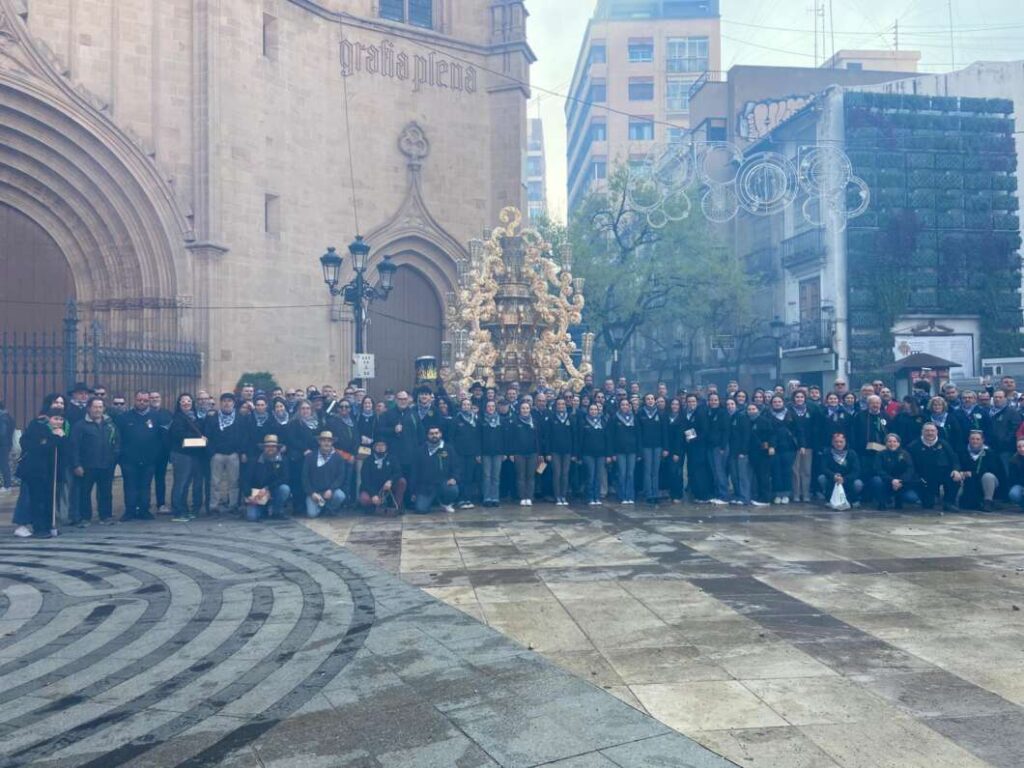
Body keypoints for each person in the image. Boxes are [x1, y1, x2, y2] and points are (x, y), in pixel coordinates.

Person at [69, 396, 120, 527]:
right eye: (95, 407)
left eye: (100, 407)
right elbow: (74, 447)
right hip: (87, 465)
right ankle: (85, 518)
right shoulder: (79, 426)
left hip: (106, 465)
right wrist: (76, 464)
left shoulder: (110, 424)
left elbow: (116, 442)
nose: (98, 410)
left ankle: (105, 516)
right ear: (89, 408)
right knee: (84, 493)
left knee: (106, 492)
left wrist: (114, 458)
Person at [18, 408, 69, 538]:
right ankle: (39, 528)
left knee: (49, 499)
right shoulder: (38, 428)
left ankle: (48, 525)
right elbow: (40, 447)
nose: (58, 422)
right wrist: (55, 438)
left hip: (52, 471)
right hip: (36, 471)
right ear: (49, 418)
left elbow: (64, 451)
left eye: (61, 419)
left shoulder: (62, 432)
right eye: (55, 419)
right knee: (38, 500)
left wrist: (62, 439)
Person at [116, 391, 161, 521]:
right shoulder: (124, 417)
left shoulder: (155, 417)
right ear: (134, 400)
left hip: (149, 459)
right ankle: (129, 511)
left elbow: (160, 438)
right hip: (129, 459)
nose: (142, 403)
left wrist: (155, 456)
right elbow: (119, 438)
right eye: (139, 400)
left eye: (145, 400)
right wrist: (121, 456)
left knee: (145, 486)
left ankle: (144, 510)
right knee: (130, 486)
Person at [204, 392, 250, 514]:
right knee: (215, 481)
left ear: (233, 403)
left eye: (229, 401)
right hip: (217, 454)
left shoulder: (240, 418)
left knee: (234, 482)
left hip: (233, 454)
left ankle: (233, 505)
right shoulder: (212, 418)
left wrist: (241, 452)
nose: (227, 403)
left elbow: (244, 436)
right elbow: (207, 436)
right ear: (221, 403)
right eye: (224, 401)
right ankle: (214, 505)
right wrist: (212, 452)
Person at [168, 393, 206, 522]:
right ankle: (177, 511)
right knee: (180, 483)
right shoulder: (177, 418)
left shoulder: (194, 417)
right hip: (181, 454)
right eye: (183, 401)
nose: (186, 403)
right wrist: (198, 439)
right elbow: (179, 435)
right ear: (179, 404)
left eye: (188, 401)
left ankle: (184, 509)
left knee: (187, 483)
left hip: (193, 454)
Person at [907, 423, 961, 512]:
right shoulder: (913, 446)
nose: (930, 433)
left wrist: (956, 470)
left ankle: (949, 502)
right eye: (927, 431)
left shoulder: (944, 444)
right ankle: (931, 498)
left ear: (937, 432)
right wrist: (917, 478)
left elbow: (954, 459)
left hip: (943, 474)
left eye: (932, 431)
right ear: (922, 432)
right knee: (928, 505)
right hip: (925, 478)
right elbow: (910, 465)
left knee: (955, 478)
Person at [410, 425, 458, 514]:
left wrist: (454, 478)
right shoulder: (420, 451)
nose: (434, 435)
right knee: (420, 509)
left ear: (441, 434)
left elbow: (456, 466)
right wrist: (413, 492)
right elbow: (415, 472)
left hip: (443, 484)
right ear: (427, 435)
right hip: (426, 487)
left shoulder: (448, 449)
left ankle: (445, 503)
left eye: (436, 433)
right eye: (431, 434)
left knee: (452, 490)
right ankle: (430, 501)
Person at [245, 434, 291, 521]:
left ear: (277, 448)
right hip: (257, 494)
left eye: (273, 446)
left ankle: (277, 511)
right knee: (252, 517)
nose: (270, 448)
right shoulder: (254, 460)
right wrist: (248, 495)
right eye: (268, 446)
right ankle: (263, 510)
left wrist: (267, 489)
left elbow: (285, 478)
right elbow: (246, 479)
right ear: (263, 448)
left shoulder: (283, 460)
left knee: (285, 489)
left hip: (273, 490)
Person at [302, 430, 346, 518]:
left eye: (329, 441)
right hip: (314, 493)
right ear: (319, 442)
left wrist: (331, 489)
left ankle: (328, 508)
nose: (326, 443)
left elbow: (340, 477)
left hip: (329, 492)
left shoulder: (338, 458)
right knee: (312, 514)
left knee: (340, 496)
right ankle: (322, 508)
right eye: (324, 440)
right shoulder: (310, 456)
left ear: (332, 443)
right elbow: (304, 477)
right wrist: (312, 493)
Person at [870, 433, 919, 510]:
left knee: (912, 498)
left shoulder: (905, 454)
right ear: (886, 443)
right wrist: (891, 480)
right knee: (876, 480)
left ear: (898, 443)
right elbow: (878, 470)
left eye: (894, 441)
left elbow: (910, 469)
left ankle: (898, 500)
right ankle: (882, 502)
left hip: (901, 483)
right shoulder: (880, 454)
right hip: (886, 482)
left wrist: (900, 481)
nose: (892, 444)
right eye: (889, 441)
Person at [958, 430, 1003, 512]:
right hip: (967, 481)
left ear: (983, 440)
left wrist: (973, 473)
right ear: (969, 439)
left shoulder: (990, 453)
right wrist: (961, 472)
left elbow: (993, 470)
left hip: (986, 482)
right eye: (973, 439)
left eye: (978, 439)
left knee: (988, 476)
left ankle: (988, 502)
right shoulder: (961, 452)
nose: (975, 441)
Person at [358, 437, 405, 515]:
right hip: (373, 489)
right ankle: (373, 507)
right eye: (378, 445)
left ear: (386, 447)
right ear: (374, 447)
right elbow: (365, 480)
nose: (380, 448)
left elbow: (398, 472)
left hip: (388, 488)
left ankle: (397, 506)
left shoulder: (392, 458)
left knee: (402, 481)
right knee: (364, 499)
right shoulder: (368, 460)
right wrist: (373, 495)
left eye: (383, 445)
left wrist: (390, 481)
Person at [507, 401, 540, 506]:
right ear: (519, 410)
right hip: (519, 453)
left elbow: (538, 439)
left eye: (527, 408)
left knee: (530, 476)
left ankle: (529, 497)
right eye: (523, 408)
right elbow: (511, 439)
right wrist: (511, 453)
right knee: (520, 476)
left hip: (532, 453)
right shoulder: (515, 422)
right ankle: (522, 497)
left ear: (530, 409)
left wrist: (539, 453)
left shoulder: (534, 422)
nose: (525, 410)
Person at [766, 395, 797, 505]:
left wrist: (801, 444)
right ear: (771, 403)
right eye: (775, 401)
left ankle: (786, 494)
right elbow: (767, 432)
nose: (777, 403)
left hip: (789, 448)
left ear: (783, 402)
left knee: (787, 471)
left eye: (779, 401)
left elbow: (798, 429)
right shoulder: (768, 415)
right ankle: (777, 494)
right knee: (776, 472)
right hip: (774, 448)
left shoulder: (790, 414)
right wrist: (771, 446)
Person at [818, 432, 863, 508]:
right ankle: (829, 499)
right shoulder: (827, 452)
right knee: (822, 478)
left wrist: (844, 479)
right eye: (836, 442)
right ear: (832, 442)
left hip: (848, 480)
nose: (839, 444)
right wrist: (833, 476)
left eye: (841, 442)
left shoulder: (852, 453)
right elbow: (823, 468)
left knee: (858, 484)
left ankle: (851, 500)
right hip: (832, 480)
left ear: (845, 442)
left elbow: (856, 471)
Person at [450, 398, 481, 509]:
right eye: (464, 404)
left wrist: (478, 453)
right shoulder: (455, 420)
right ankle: (460, 499)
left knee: (469, 477)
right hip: (459, 454)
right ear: (461, 406)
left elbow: (478, 438)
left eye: (468, 405)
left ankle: (468, 498)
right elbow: (451, 438)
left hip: (472, 454)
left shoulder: (475, 420)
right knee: (461, 477)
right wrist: (453, 453)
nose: (466, 406)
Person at [546, 397, 576, 506]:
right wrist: (548, 452)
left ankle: (563, 495)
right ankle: (557, 496)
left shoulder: (570, 418)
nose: (561, 406)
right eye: (559, 404)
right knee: (557, 473)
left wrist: (574, 453)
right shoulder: (551, 418)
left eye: (563, 404)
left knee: (565, 474)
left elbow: (574, 436)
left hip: (567, 451)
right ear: (556, 406)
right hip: (555, 451)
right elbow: (548, 436)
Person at [637, 393, 663, 505]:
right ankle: (648, 494)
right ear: (645, 401)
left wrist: (665, 447)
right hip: (646, 446)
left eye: (652, 398)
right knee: (647, 470)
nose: (650, 400)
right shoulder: (640, 413)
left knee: (655, 471)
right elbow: (638, 433)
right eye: (648, 399)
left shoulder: (660, 413)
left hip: (657, 446)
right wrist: (640, 448)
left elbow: (664, 431)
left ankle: (656, 493)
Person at [149, 392, 173, 513]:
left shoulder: (167, 414)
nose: (154, 399)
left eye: (157, 397)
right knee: (145, 479)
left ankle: (161, 504)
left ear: (161, 399)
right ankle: (144, 504)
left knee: (160, 479)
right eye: (152, 398)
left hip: (163, 453)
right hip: (148, 453)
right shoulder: (145, 414)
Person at [789, 390, 814, 504]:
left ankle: (806, 494)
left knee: (806, 471)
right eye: (797, 397)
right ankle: (796, 494)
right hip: (794, 446)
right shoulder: (789, 411)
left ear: (805, 398)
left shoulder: (811, 410)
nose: (799, 399)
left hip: (808, 445)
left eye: (801, 397)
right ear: (794, 398)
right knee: (795, 471)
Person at [705, 392, 730, 505]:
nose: (713, 402)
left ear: (719, 401)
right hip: (710, 446)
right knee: (714, 471)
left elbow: (726, 431)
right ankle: (717, 493)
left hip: (719, 447)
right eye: (711, 400)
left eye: (715, 400)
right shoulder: (709, 413)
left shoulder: (723, 413)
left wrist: (723, 446)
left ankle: (724, 495)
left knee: (720, 471)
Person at [479, 400, 505, 507]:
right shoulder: (481, 421)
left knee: (496, 476)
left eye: (492, 406)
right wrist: (479, 453)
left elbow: (504, 438)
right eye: (488, 406)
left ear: (495, 407)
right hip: (485, 453)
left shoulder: (501, 420)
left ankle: (495, 497)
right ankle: (487, 497)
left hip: (498, 453)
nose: (490, 408)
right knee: (486, 476)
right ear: (486, 408)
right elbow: (478, 438)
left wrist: (504, 452)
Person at [1005, 438, 1024, 510]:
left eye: (1023, 446)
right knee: (1014, 493)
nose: (1022, 449)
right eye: (1019, 447)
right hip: (1021, 485)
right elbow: (1013, 479)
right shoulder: (1013, 461)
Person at [0, 399, 14, 493]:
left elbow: (2, 433)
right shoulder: (8, 416)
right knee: (4, 464)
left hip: (2, 444)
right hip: (6, 444)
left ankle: (7, 485)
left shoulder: (2, 418)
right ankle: (7, 485)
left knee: (3, 464)